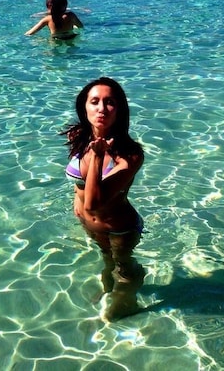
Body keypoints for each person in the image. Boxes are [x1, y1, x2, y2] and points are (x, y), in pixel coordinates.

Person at [63, 77, 145, 320]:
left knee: (124, 266)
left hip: (119, 228)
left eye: (110, 102)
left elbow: (94, 203)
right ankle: (109, 286)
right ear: (84, 107)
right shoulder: (79, 135)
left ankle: (127, 300)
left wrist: (98, 158)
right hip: (89, 224)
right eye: (95, 101)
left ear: (119, 110)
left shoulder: (129, 155)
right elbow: (80, 189)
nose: (101, 108)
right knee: (106, 260)